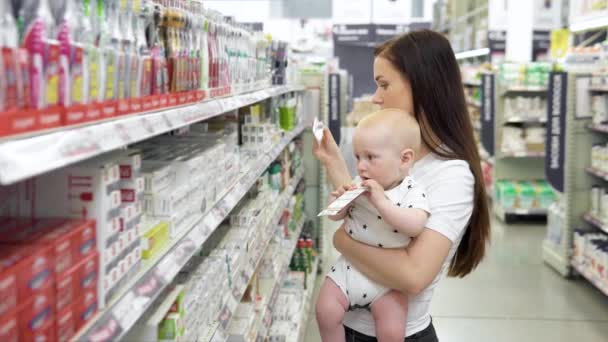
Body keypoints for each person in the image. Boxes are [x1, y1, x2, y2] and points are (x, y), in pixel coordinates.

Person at [312, 29, 491, 341]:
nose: (375, 97)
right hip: (350, 325)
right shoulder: (393, 159)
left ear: (423, 86)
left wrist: (342, 241)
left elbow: (412, 276)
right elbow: (366, 213)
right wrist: (335, 165)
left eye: (384, 84)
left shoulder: (451, 175)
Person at [316, 109, 430, 342]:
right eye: (358, 157)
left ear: (404, 159)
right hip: (349, 268)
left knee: (392, 333)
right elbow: (334, 217)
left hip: (387, 279)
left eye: (370, 157)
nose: (360, 166)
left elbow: (416, 225)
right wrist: (338, 202)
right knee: (325, 311)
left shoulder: (412, 191)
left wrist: (382, 202)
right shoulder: (359, 183)